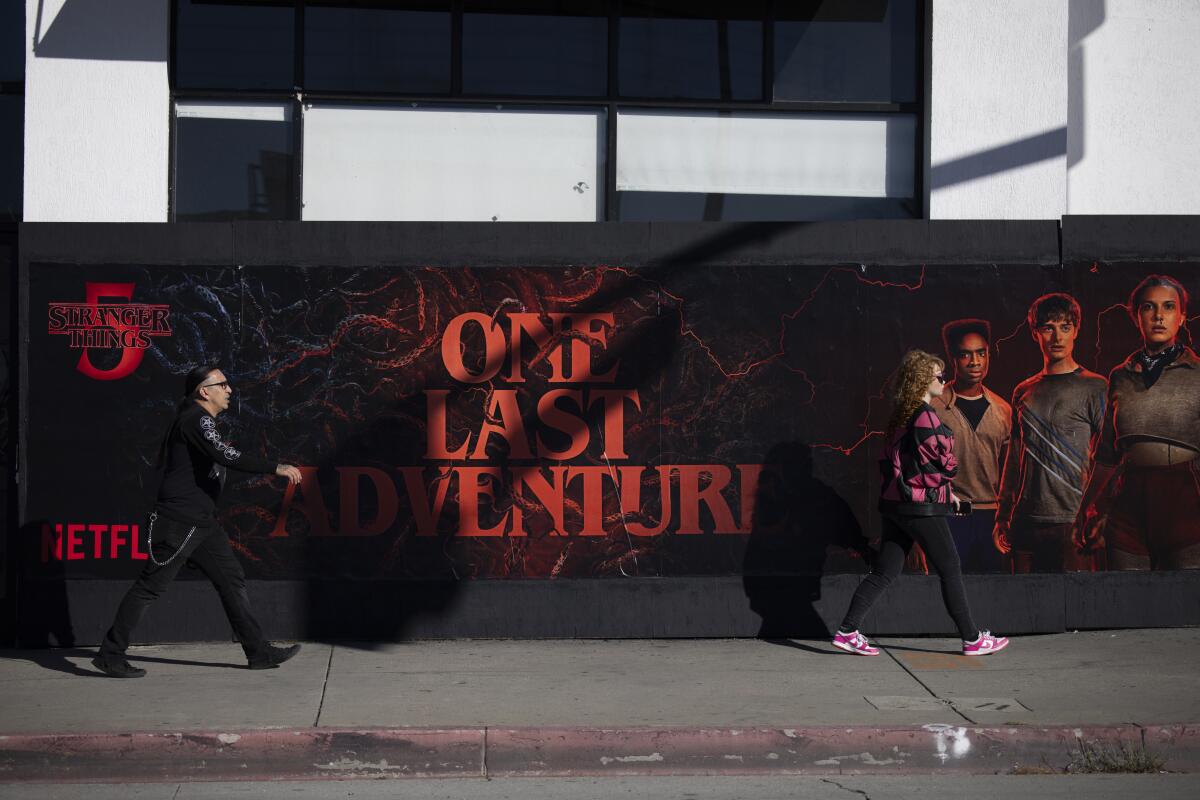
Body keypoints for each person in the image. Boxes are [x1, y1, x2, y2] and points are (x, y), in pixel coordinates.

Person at [92, 365, 304, 678]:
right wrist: (276, 467)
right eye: (223, 384)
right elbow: (226, 456)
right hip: (181, 523)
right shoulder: (197, 419)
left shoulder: (197, 421)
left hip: (202, 524)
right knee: (149, 588)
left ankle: (258, 652)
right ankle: (110, 654)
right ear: (204, 391)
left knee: (231, 580)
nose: (229, 390)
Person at [832, 350, 1009, 657]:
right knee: (950, 567)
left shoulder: (903, 415)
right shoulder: (926, 416)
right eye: (939, 376)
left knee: (885, 571)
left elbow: (911, 466)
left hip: (896, 505)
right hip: (919, 509)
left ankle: (847, 631)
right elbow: (940, 466)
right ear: (924, 381)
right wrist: (949, 474)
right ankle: (972, 639)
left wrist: (948, 495)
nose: (944, 380)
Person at [1074, 275, 1200, 570]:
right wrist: (1086, 507)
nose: (1158, 316)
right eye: (1149, 307)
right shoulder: (1120, 375)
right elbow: (1106, 454)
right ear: (1136, 316)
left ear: (1181, 317)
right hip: (1128, 503)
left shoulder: (1197, 374)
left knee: (1184, 608)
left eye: (1168, 307)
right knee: (1128, 605)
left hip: (1186, 499)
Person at [994, 294, 1106, 573]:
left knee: (1075, 609)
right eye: (1048, 328)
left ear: (1076, 330)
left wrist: (1098, 513)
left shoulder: (1095, 388)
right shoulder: (1024, 390)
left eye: (1065, 327)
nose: (1057, 336)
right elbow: (1014, 457)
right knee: (1024, 609)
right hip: (1025, 521)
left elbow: (1110, 458)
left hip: (1072, 519)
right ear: (1035, 333)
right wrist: (1003, 513)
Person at [931, 319, 1011, 572]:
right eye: (965, 354)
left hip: (992, 518)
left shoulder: (1003, 410)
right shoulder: (932, 407)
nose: (975, 362)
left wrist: (1005, 516)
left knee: (993, 596)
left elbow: (1011, 472)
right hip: (949, 515)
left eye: (981, 353)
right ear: (952, 358)